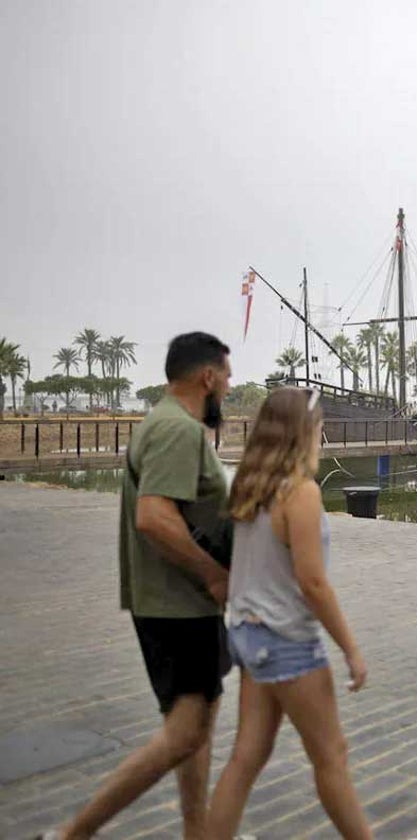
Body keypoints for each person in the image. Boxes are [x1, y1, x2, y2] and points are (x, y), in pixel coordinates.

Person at [45, 333, 233, 840]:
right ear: (208, 377)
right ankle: (70, 834)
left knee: (196, 726)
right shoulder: (177, 430)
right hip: (177, 608)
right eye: (228, 380)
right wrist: (214, 574)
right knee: (186, 732)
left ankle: (200, 832)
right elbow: (154, 517)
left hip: (180, 604)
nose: (229, 391)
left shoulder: (166, 423)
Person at [207, 386, 371, 839]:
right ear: (304, 432)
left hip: (248, 634)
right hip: (286, 640)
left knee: (246, 756)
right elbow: (313, 583)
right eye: (319, 430)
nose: (322, 438)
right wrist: (351, 649)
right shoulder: (299, 492)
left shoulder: (250, 485)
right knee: (331, 756)